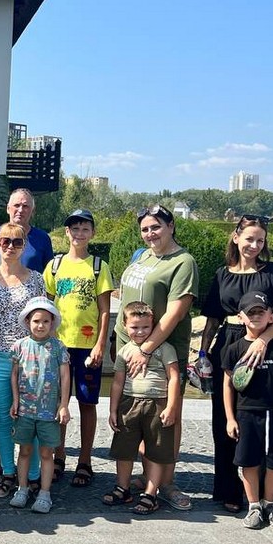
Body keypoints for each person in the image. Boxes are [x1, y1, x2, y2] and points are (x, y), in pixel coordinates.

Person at [200, 214, 273, 519]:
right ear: (236, 237)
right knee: (227, 419)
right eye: (250, 238)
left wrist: (264, 340)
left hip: (262, 347)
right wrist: (203, 352)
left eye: (260, 240)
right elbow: (213, 318)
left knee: (266, 421)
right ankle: (230, 490)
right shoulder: (222, 274)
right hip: (228, 343)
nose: (254, 245)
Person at [115, 205, 199, 512]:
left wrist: (147, 348)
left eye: (156, 227)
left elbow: (176, 312)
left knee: (165, 417)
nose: (150, 233)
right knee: (140, 415)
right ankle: (149, 475)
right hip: (131, 347)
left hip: (160, 351)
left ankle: (167, 481)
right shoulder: (143, 255)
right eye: (145, 229)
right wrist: (130, 346)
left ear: (171, 226)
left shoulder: (183, 262)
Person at [43, 209, 113, 488]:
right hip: (59, 345)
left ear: (92, 233)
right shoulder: (55, 265)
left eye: (85, 228)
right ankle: (58, 456)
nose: (79, 234)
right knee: (57, 403)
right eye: (74, 229)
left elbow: (105, 311)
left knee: (87, 403)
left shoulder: (98, 266)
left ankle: (85, 459)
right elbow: (46, 306)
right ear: (67, 233)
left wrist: (99, 345)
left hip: (86, 347)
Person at [0, 223, 47, 499]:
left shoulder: (37, 280)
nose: (10, 247)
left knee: (32, 419)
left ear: (24, 245)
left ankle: (31, 476)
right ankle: (7, 472)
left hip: (31, 359)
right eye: (5, 241)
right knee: (5, 419)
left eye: (17, 242)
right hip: (0, 357)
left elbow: (43, 321)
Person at [221, 290, 273, 530]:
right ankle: (253, 505)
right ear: (241, 317)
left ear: (271, 317)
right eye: (250, 312)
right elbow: (227, 385)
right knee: (248, 462)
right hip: (246, 414)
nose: (256, 316)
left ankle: (270, 504)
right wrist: (230, 418)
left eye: (261, 312)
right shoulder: (233, 349)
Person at [106, 301, 180, 516]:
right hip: (129, 403)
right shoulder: (124, 351)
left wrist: (172, 406)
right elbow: (118, 382)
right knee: (124, 449)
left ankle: (151, 492)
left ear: (153, 326)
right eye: (134, 327)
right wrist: (113, 410)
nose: (140, 332)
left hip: (158, 403)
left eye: (145, 327)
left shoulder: (165, 348)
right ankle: (123, 487)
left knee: (155, 450)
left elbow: (174, 377)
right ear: (125, 325)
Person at [8, 297, 71, 514]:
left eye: (45, 321)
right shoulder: (19, 346)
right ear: (28, 322)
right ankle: (22, 488)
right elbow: (14, 376)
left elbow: (65, 376)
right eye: (36, 321)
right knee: (24, 450)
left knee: (46, 452)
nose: (40, 325)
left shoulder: (58, 347)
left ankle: (45, 493)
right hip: (25, 408)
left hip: (48, 411)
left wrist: (64, 405)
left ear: (52, 323)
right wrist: (15, 400)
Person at [0, 189, 53, 272]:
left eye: (25, 206)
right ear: (8, 209)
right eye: (16, 205)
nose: (20, 210)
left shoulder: (42, 238)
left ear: (32, 211)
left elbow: (49, 274)